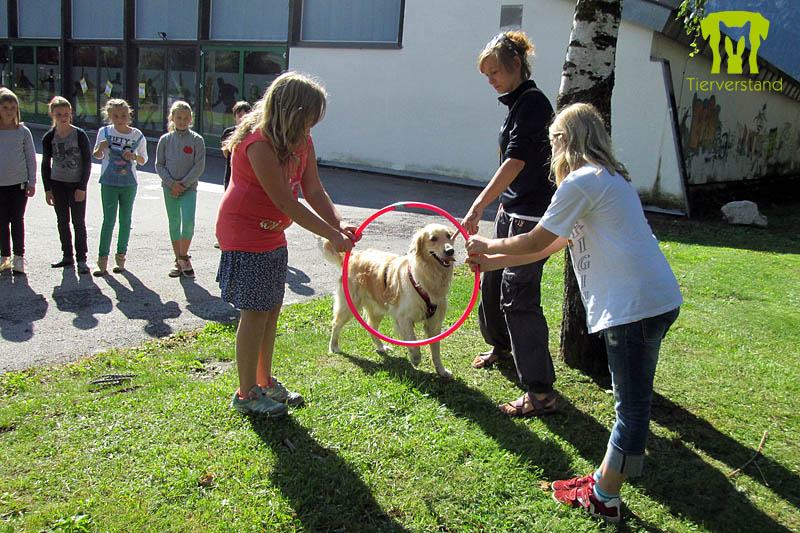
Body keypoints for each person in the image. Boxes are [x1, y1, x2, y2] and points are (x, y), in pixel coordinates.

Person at [466, 103, 683, 523]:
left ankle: (605, 497)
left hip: (634, 306)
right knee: (631, 403)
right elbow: (555, 243)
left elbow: (536, 239)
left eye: (552, 143)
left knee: (631, 408)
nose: (551, 154)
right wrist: (491, 262)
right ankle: (604, 479)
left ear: (565, 141)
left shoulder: (583, 181)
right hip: (651, 300)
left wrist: (489, 246)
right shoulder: (607, 178)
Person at [216, 71, 358, 417]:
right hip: (244, 232)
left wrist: (338, 223)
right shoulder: (259, 143)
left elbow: (313, 191)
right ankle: (246, 393)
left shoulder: (301, 141)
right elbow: (285, 201)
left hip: (271, 234)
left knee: (271, 309)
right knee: (255, 312)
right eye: (308, 120)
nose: (311, 129)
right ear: (291, 112)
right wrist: (330, 235)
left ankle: (264, 382)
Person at [461, 30, 557, 417]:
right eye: (486, 75)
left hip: (532, 217)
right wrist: (498, 205)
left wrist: (478, 205)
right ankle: (501, 347)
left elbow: (515, 161)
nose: (491, 80)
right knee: (491, 280)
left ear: (517, 65)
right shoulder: (516, 106)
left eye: (496, 71)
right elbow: (514, 165)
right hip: (511, 210)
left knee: (518, 296)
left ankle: (541, 392)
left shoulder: (533, 105)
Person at [92, 98, 148, 276]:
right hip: (108, 182)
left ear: (129, 115)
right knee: (108, 220)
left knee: (125, 220)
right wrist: (101, 147)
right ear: (109, 116)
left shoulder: (136, 135)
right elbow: (97, 155)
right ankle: (102, 260)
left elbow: (143, 159)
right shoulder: (104, 132)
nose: (120, 119)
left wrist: (133, 156)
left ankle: (121, 257)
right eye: (115, 116)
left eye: (124, 115)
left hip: (128, 183)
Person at [41, 96, 93, 275]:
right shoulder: (49, 137)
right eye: (58, 114)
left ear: (71, 113)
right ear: (52, 115)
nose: (63, 117)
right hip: (57, 183)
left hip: (76, 184)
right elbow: (45, 163)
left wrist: (82, 187)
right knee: (62, 221)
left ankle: (82, 259)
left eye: (66, 114)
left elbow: (87, 162)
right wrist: (47, 189)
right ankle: (67, 256)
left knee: (79, 222)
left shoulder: (79, 134)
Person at [155, 100, 206, 278]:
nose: (182, 121)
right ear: (172, 118)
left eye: (186, 118)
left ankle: (183, 256)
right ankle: (178, 260)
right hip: (170, 189)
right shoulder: (165, 140)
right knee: (174, 222)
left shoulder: (197, 140)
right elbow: (159, 165)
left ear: (191, 119)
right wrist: (171, 183)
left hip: (188, 188)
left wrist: (184, 184)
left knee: (189, 223)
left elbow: (199, 166)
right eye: (179, 118)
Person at [0, 87, 36, 275]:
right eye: (5, 107)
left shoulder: (23, 131)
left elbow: (31, 157)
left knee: (17, 219)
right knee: (2, 221)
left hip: (19, 184)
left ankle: (19, 257)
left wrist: (32, 182)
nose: (9, 111)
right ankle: (4, 257)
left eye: (12, 107)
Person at [221, 101, 252, 190]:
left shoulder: (252, 133)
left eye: (246, 114)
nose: (243, 117)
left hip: (246, 176)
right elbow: (226, 153)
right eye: (240, 115)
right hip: (230, 174)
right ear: (235, 116)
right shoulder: (228, 133)